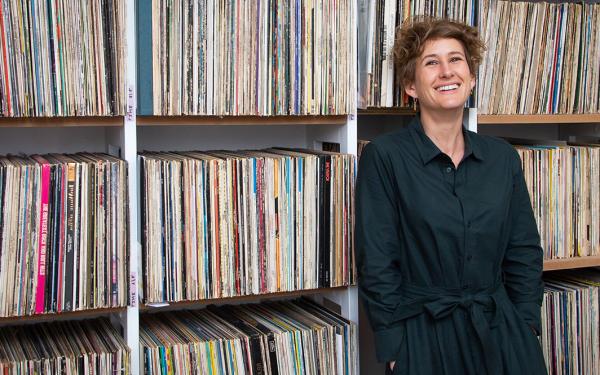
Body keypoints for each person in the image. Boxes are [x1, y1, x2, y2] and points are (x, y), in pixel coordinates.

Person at [355, 17, 547, 375]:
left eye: (456, 60)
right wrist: (396, 349)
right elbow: (377, 263)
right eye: (431, 62)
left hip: (503, 335)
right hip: (423, 339)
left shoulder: (503, 158)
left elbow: (523, 252)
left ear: (471, 78)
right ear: (411, 85)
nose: (446, 71)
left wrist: (526, 325)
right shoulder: (385, 157)